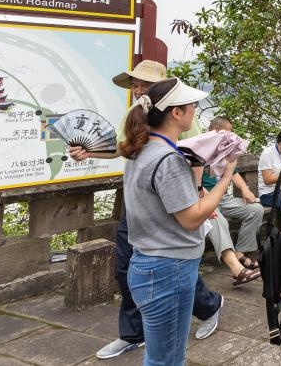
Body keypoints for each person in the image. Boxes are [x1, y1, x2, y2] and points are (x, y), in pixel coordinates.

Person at [68, 60, 222, 360]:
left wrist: (197, 193)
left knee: (173, 265)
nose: (138, 89)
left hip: (171, 196)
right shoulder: (137, 113)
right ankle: (133, 333)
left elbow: (194, 156)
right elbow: (123, 146)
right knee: (135, 265)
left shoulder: (174, 116)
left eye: (144, 84)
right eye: (135, 84)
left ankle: (208, 306)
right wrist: (90, 151)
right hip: (145, 200)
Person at [120, 78, 236, 366]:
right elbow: (192, 218)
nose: (195, 110)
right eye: (191, 106)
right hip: (167, 269)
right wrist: (226, 174)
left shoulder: (141, 151)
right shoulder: (168, 158)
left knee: (161, 355)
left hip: (149, 262)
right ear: (176, 113)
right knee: (168, 359)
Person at [199, 115, 265, 285]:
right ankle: (236, 269)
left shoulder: (224, 150)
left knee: (256, 209)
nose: (231, 137)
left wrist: (244, 189)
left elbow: (233, 172)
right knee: (218, 221)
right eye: (228, 133)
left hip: (224, 198)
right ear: (216, 131)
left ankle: (240, 252)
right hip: (204, 198)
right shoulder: (200, 149)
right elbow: (194, 182)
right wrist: (209, 200)